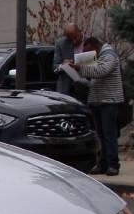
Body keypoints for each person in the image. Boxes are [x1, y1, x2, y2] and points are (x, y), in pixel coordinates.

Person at [72, 36, 124, 176]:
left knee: (109, 134)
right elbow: (91, 77)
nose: (87, 53)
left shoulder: (109, 55)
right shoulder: (97, 55)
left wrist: (80, 67)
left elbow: (101, 71)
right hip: (96, 100)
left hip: (109, 101)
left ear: (95, 46)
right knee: (100, 135)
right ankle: (103, 163)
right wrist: (75, 71)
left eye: (88, 50)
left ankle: (113, 164)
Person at [53, 23, 85, 98]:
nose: (73, 41)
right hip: (65, 90)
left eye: (75, 37)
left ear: (80, 32)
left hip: (85, 88)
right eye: (70, 39)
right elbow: (54, 68)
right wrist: (62, 65)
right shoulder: (60, 43)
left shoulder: (90, 42)